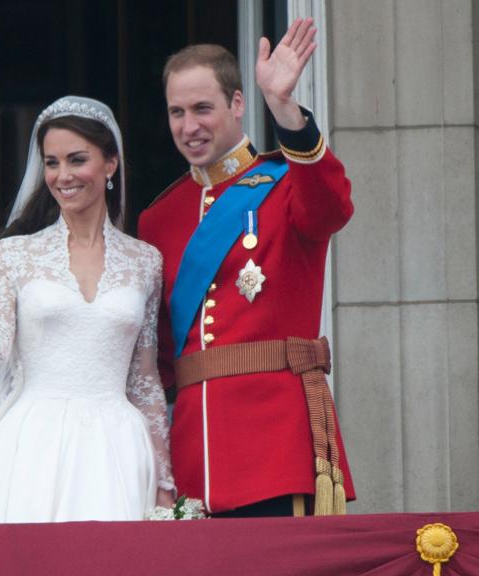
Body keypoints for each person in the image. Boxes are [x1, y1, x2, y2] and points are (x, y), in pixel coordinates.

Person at [0, 96, 175, 523]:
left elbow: (145, 379)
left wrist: (164, 480)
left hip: (118, 446)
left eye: (77, 159)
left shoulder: (146, 262)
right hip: (31, 444)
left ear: (110, 164)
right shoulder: (16, 254)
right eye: (51, 162)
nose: (62, 176)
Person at [137, 18, 356, 517]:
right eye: (177, 112)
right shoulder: (159, 217)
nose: (188, 126)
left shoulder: (286, 182)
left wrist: (284, 107)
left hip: (276, 446)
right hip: (194, 451)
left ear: (238, 105)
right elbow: (159, 351)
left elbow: (332, 208)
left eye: (202, 108)